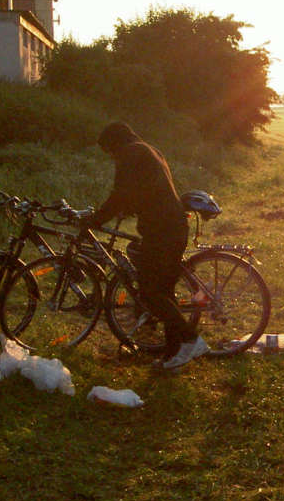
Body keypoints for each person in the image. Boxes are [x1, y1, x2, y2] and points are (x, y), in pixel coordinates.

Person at [83, 121, 208, 369]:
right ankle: (173, 354)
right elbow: (146, 190)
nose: (110, 156)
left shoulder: (129, 154)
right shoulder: (146, 149)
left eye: (109, 151)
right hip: (173, 226)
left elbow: (120, 193)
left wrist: (96, 219)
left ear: (114, 144)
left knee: (150, 293)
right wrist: (129, 208)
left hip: (162, 231)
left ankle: (192, 340)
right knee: (164, 292)